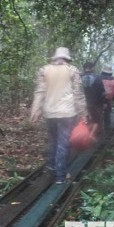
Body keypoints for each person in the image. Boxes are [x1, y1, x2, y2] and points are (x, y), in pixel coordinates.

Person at [30, 47, 87, 184]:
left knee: (53, 141)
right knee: (63, 143)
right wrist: (83, 113)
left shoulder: (44, 70)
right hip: (67, 113)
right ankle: (60, 176)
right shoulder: (72, 70)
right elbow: (78, 94)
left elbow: (40, 91)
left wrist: (35, 110)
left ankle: (51, 169)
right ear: (67, 59)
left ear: (55, 58)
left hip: (49, 113)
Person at [81, 61, 105, 137]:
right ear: (92, 68)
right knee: (96, 119)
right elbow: (102, 92)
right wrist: (103, 102)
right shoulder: (98, 77)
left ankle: (84, 133)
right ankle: (93, 135)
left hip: (82, 102)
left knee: (85, 119)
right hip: (95, 102)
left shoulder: (79, 77)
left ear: (84, 68)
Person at [100, 65, 114, 130]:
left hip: (100, 98)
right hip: (109, 98)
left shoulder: (99, 78)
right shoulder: (113, 79)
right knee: (107, 113)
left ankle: (99, 129)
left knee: (100, 114)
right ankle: (107, 127)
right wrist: (113, 99)